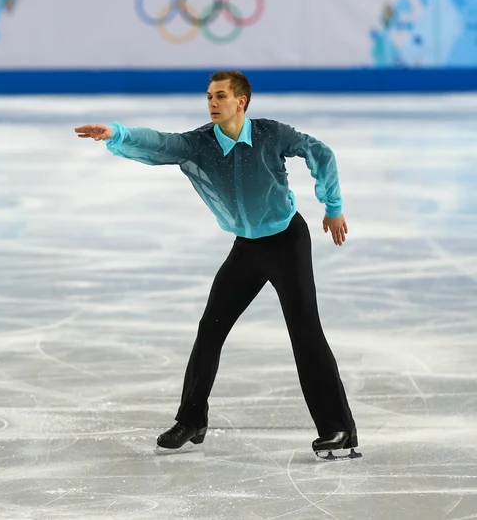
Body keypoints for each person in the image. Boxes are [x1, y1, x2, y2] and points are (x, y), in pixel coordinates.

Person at [75, 70, 360, 460]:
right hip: (246, 247)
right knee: (209, 331)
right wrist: (117, 135)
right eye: (209, 96)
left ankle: (337, 428)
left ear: (241, 101)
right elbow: (161, 143)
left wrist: (333, 207)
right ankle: (192, 420)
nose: (212, 103)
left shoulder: (271, 133)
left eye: (220, 96)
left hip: (286, 241)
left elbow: (319, 152)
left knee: (305, 333)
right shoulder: (198, 144)